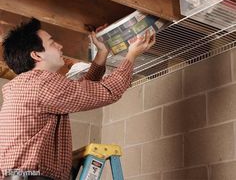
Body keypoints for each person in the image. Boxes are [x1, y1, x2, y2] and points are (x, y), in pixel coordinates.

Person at [0, 18, 156, 180]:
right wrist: (131, 55)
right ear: (36, 55)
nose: (60, 46)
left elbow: (80, 92)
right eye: (52, 43)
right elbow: (107, 91)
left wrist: (102, 52)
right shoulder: (42, 84)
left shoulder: (27, 85)